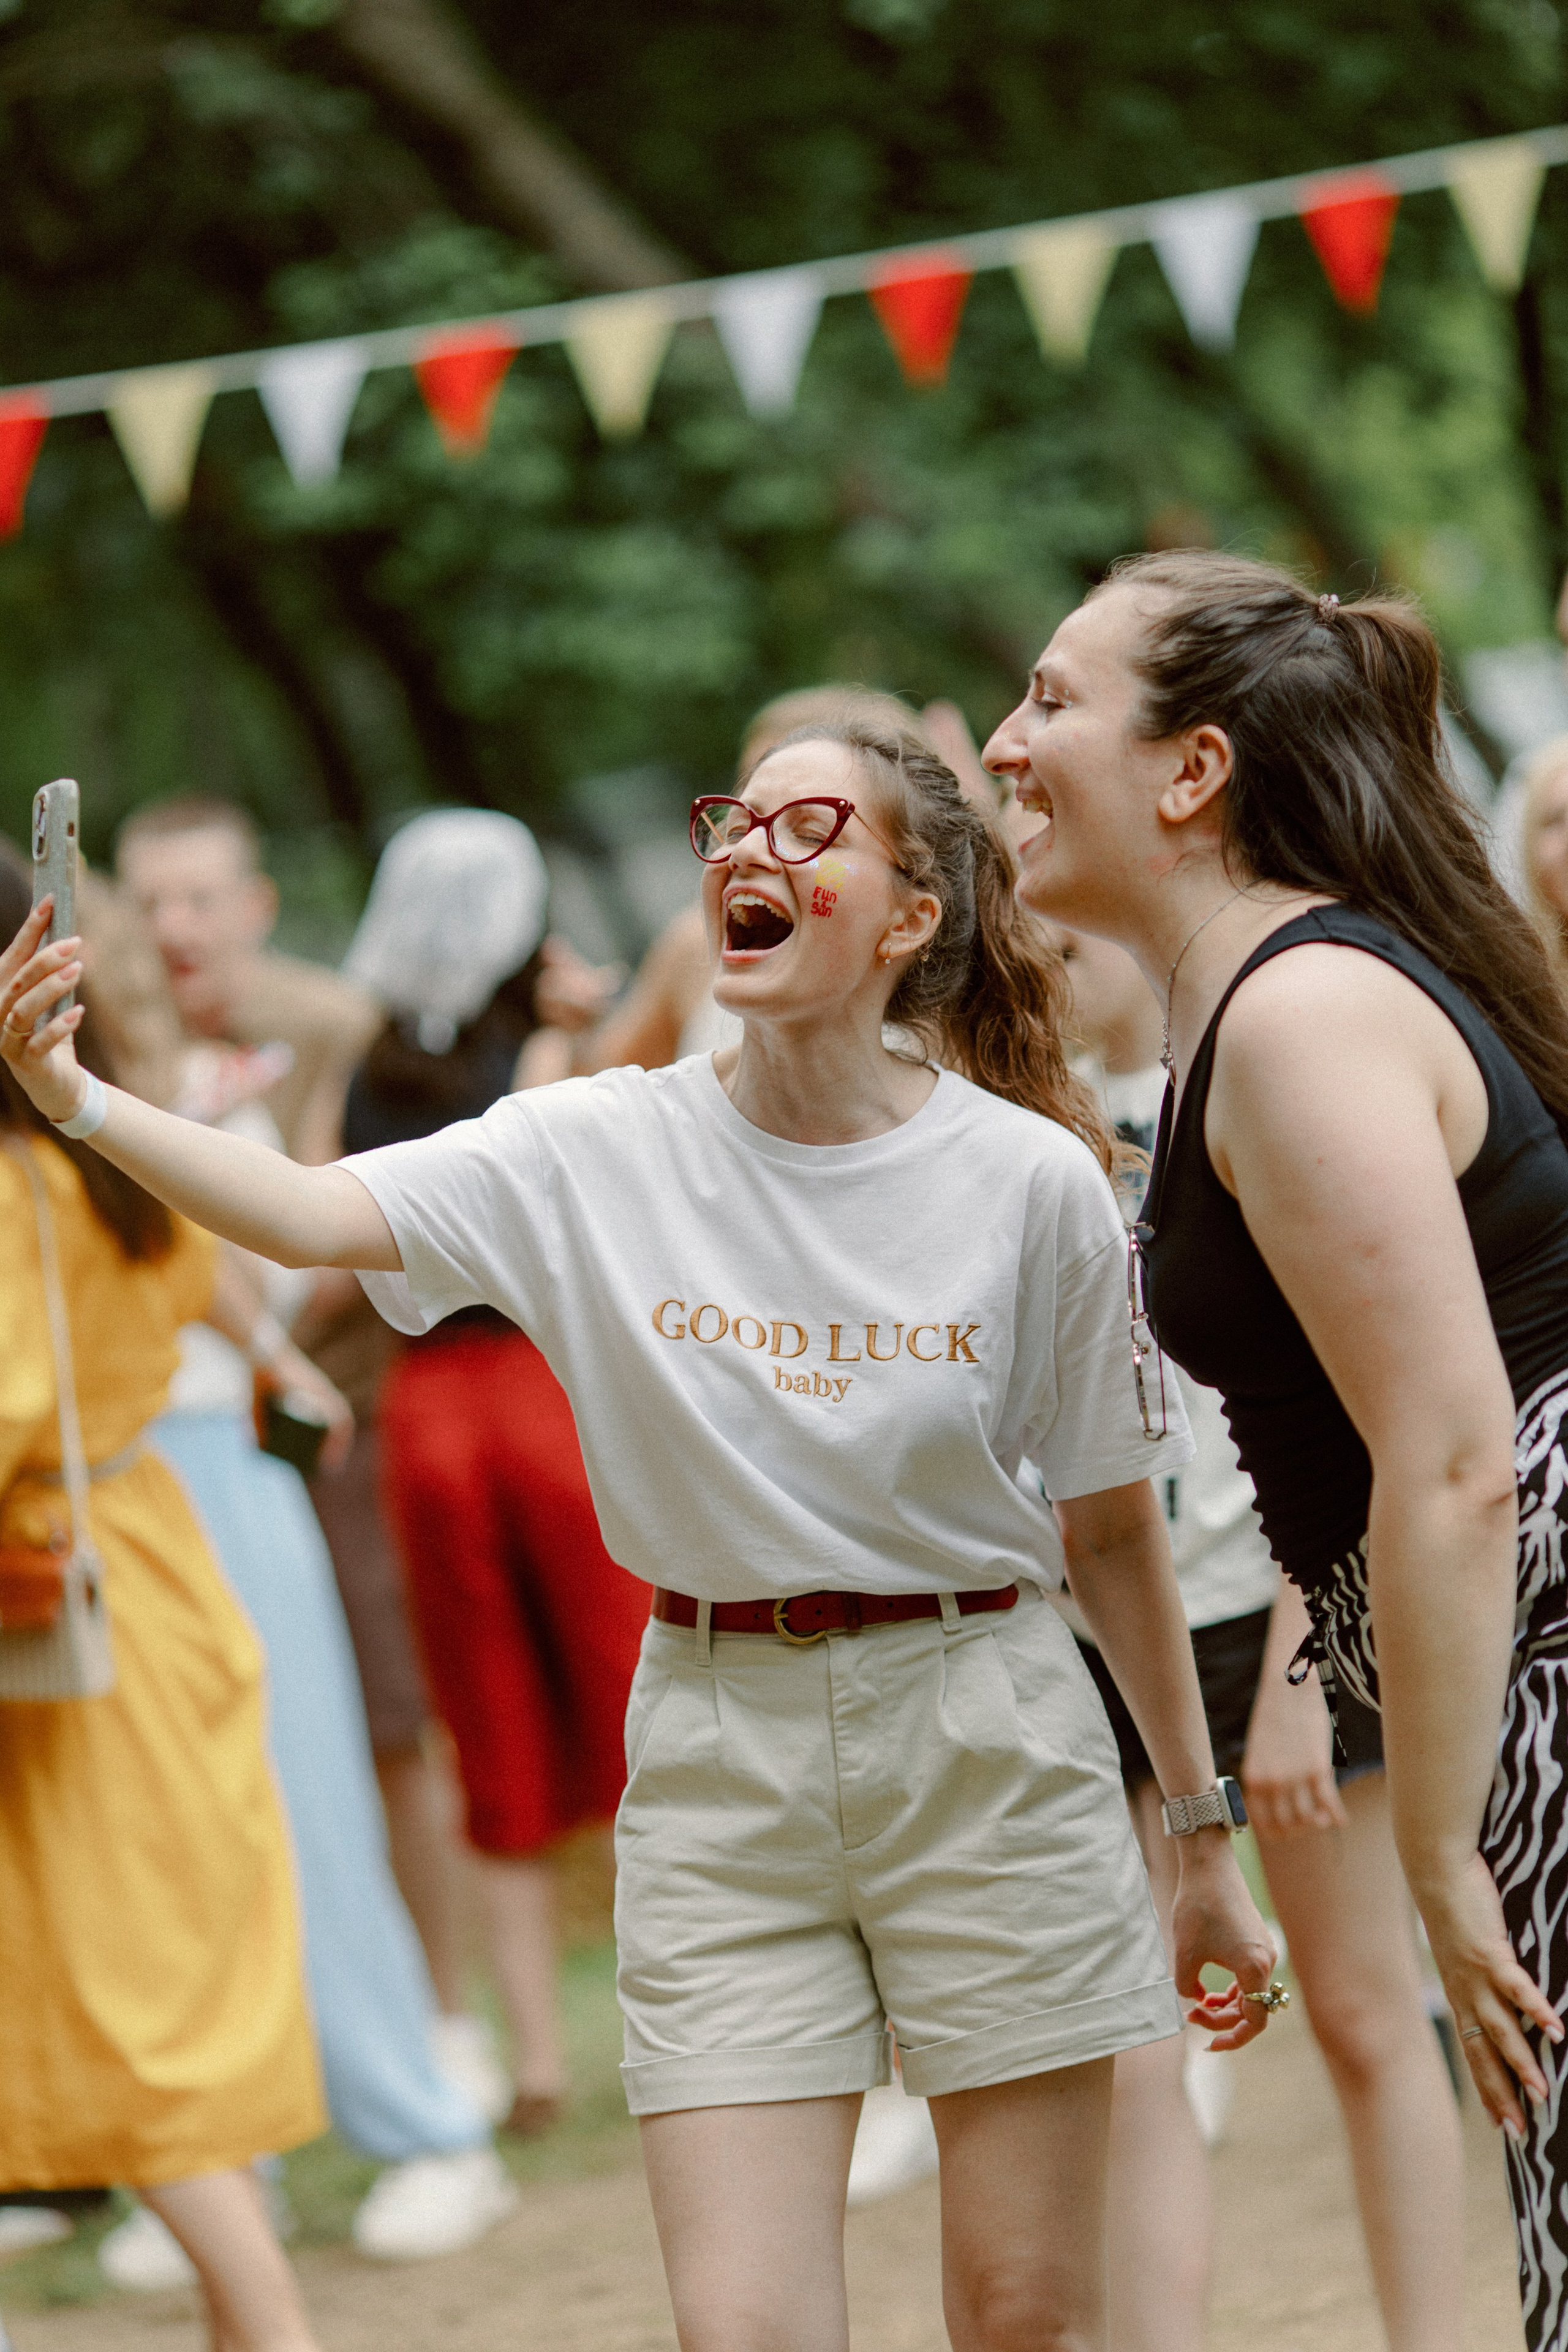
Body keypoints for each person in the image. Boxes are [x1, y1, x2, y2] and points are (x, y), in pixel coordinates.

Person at [2, 719, 1278, 2352]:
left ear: (908, 915)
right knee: (739, 2330)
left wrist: (1200, 1837)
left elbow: (1108, 1535)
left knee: (1025, 2312)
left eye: (811, 829)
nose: (748, 848)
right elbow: (314, 1213)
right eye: (735, 821)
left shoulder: (1031, 1181)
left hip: (988, 1732)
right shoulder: (594, 1142)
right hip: (719, 1747)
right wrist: (78, 1099)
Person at [984, 549, 1568, 2352]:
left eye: (1052, 701)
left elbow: (1456, 1458)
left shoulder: (1299, 1015)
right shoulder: (1242, 1005)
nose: (1004, 743)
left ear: (1192, 772)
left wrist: (1440, 1856)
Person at [1052, 918, 1464, 2352]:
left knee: (1359, 2010)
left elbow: (1345, 1391)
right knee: (1134, 2048)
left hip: (1270, 1604)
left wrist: (1301, 1667)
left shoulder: (1235, 1086)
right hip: (1105, 1629)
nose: (1047, 949)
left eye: (1069, 935)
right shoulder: (1015, 1128)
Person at [115, 799, 499, 2111]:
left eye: (198, 897)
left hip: (334, 1422)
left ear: (255, 904)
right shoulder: (118, 1049)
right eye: (150, 901)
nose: (175, 926)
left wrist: (274, 1331)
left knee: (386, 1724)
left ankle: (442, 2018)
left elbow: (379, 1218)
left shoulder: (329, 1025)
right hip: (185, 1436)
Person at [0, 846, 325, 2352]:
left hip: (59, 1615)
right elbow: (201, 1286)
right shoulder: (107, 1145)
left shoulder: (15, 1185)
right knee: (165, 1980)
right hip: (153, 1563)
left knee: (121, 1996)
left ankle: (273, 2329)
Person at [337, 807, 650, 2136]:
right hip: (541, 1388)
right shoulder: (544, 1056)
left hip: (424, 1415)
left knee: (488, 1732)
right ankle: (688, 2015)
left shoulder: (367, 1071)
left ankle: (532, 2058)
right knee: (635, 1699)